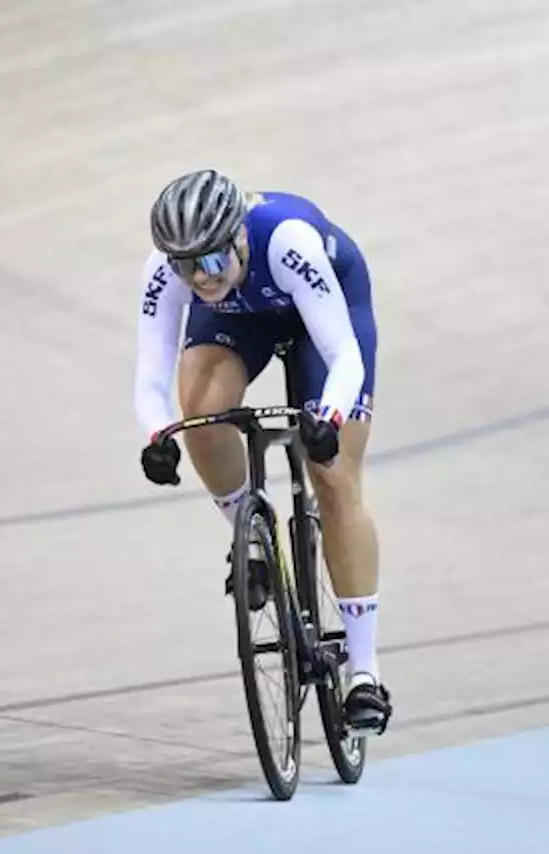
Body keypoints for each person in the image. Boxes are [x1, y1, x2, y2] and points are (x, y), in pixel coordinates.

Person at [133, 168, 392, 734]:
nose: (198, 277)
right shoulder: (172, 267)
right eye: (185, 266)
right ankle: (250, 535)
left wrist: (326, 418)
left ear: (239, 239)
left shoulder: (288, 242)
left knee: (333, 476)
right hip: (238, 322)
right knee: (199, 415)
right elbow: (150, 379)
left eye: (209, 262)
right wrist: (158, 436)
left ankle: (365, 673)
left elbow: (344, 356)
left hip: (324, 315)